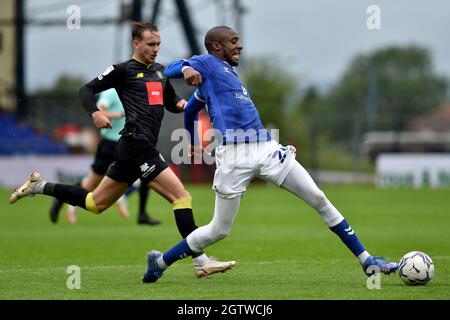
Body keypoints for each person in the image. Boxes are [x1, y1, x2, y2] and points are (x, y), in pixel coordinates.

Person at [141, 26, 399, 283]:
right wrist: (186, 69)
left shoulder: (225, 75)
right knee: (219, 230)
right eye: (234, 41)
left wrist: (191, 139)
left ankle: (366, 260)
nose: (239, 45)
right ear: (217, 46)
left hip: (266, 148)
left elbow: (191, 110)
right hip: (234, 156)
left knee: (318, 197)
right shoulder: (207, 63)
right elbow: (173, 68)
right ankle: (160, 262)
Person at [9, 22, 235, 278]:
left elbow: (171, 102)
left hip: (134, 147)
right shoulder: (122, 70)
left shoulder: (160, 73)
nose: (156, 49)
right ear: (136, 43)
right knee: (181, 197)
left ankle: (40, 186)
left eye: (158, 44)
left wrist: (185, 104)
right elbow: (86, 90)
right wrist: (95, 112)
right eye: (151, 44)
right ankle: (201, 261)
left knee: (95, 203)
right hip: (136, 143)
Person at [49, 88, 161, 226]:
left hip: (130, 142)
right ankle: (60, 199)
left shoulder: (131, 91)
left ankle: (141, 213)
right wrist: (121, 114)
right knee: (90, 184)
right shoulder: (111, 93)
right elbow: (100, 111)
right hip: (110, 144)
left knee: (148, 172)